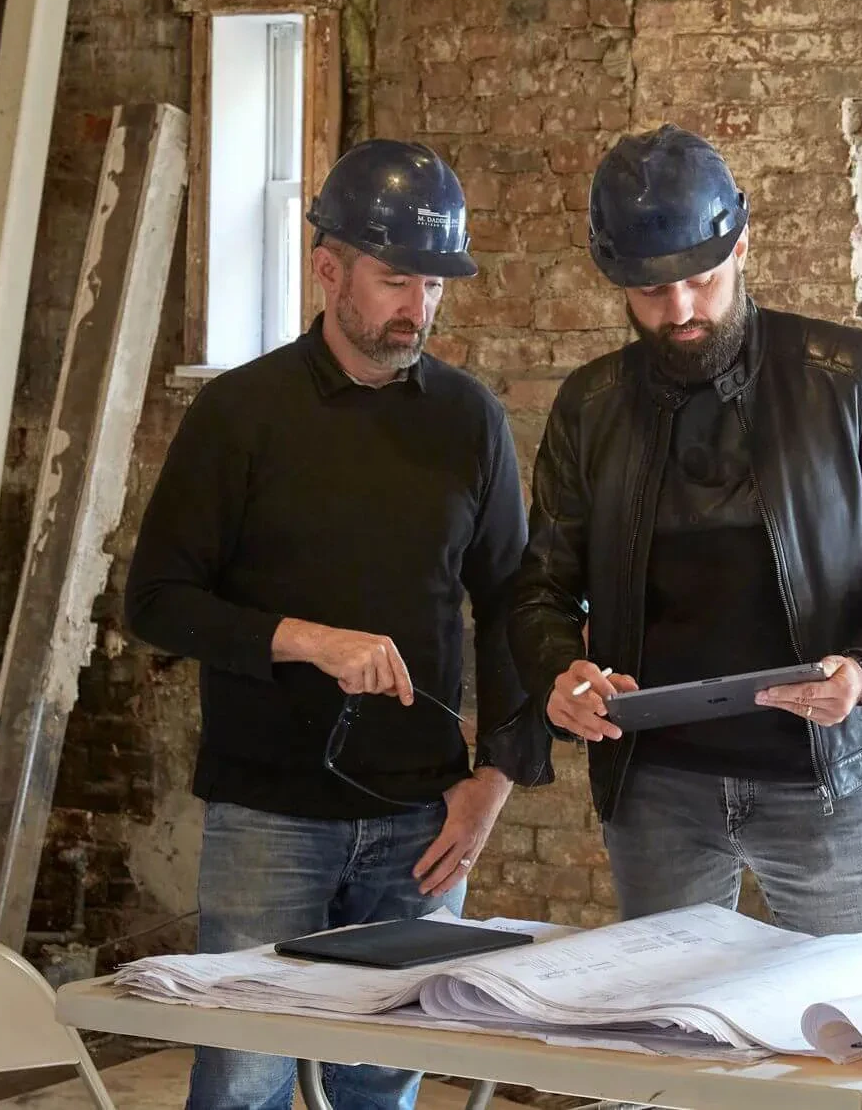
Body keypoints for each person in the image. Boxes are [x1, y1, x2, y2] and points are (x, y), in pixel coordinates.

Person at [125, 140, 550, 1110]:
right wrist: (307, 639)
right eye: (396, 279)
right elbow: (156, 598)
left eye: (433, 285)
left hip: (423, 817)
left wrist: (493, 783)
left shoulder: (470, 421)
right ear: (327, 268)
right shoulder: (239, 414)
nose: (419, 306)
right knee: (244, 1080)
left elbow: (512, 609)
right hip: (268, 814)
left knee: (380, 1084)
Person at [511, 125, 862, 936]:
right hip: (656, 783)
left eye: (703, 279)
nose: (682, 310)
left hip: (819, 772)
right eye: (653, 292)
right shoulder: (590, 405)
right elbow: (541, 588)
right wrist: (560, 673)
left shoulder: (848, 374)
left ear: (742, 244)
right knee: (670, 1009)